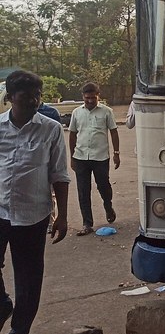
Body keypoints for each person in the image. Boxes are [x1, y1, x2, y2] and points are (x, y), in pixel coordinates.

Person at [0, 70, 69, 334]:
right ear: (9, 98)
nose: (33, 101)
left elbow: (59, 174)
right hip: (0, 211)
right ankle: (3, 306)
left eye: (37, 95)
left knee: (29, 278)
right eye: (26, 96)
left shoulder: (51, 129)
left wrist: (63, 216)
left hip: (33, 215)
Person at [68, 82, 120, 236]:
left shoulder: (107, 112)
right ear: (83, 97)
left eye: (93, 98)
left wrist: (116, 153)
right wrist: (72, 157)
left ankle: (108, 206)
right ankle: (87, 223)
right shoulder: (77, 112)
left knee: (103, 186)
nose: (90, 101)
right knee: (83, 191)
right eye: (87, 98)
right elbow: (72, 134)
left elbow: (114, 132)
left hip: (100, 157)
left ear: (98, 96)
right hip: (81, 157)